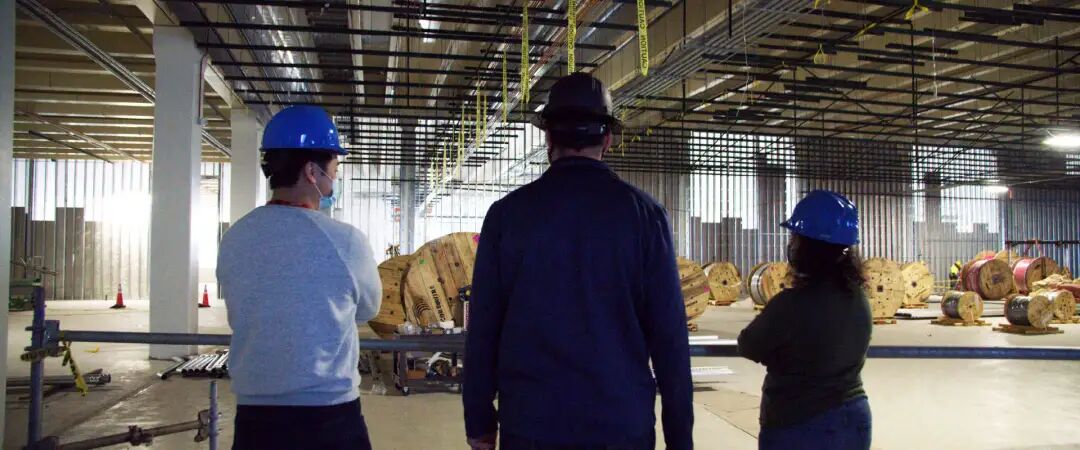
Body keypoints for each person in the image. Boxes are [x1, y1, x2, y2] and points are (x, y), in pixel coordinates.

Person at [463, 73, 694, 450]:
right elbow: (670, 338)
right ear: (608, 139)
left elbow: (484, 327)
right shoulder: (646, 217)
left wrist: (479, 419)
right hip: (621, 427)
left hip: (533, 427)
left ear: (548, 138)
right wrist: (680, 437)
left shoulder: (507, 216)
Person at [217, 105, 381, 450]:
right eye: (334, 169)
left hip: (255, 419)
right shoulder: (346, 241)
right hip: (329, 416)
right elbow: (369, 309)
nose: (334, 179)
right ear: (311, 171)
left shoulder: (235, 238)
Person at [737, 190, 872, 450]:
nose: (792, 245)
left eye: (795, 239)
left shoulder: (791, 304)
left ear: (808, 247)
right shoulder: (859, 299)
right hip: (855, 417)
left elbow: (748, 344)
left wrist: (780, 356)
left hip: (802, 423)